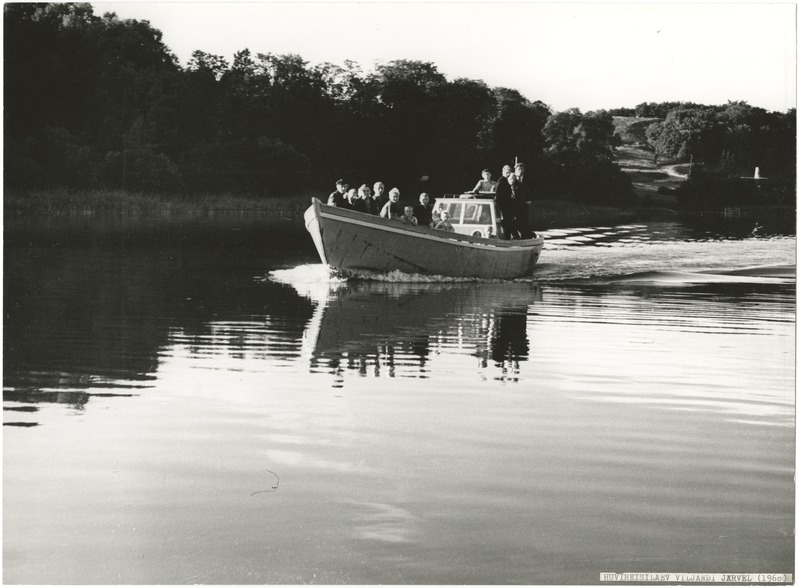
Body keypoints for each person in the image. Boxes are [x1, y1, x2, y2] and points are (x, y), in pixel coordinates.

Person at [513, 162, 533, 239]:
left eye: (522, 169)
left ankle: (526, 236)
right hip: (515, 203)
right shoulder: (512, 178)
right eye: (518, 169)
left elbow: (530, 190)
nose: (520, 171)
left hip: (524, 203)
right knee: (515, 220)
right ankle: (516, 236)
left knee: (524, 219)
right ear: (515, 170)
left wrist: (529, 199)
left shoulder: (528, 179)